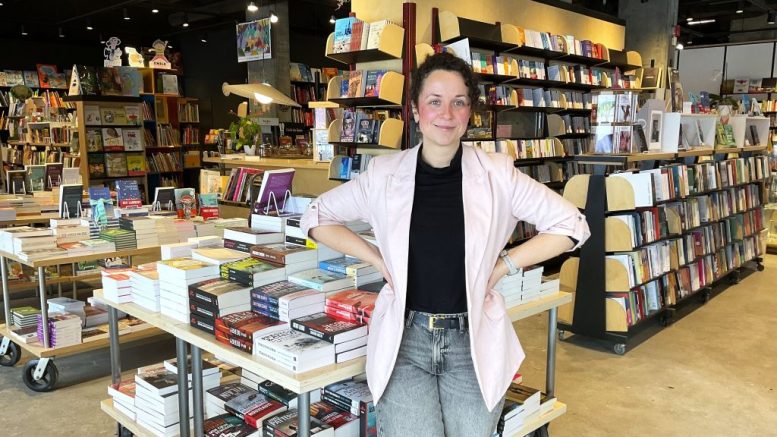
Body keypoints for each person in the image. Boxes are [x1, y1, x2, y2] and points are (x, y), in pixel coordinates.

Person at [300, 52, 590, 437]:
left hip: (472, 343)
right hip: (406, 341)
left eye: (458, 102)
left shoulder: (497, 174)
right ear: (416, 111)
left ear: (470, 113)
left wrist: (504, 264)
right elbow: (316, 217)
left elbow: (572, 225)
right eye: (434, 101)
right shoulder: (384, 175)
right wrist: (374, 257)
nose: (446, 113)